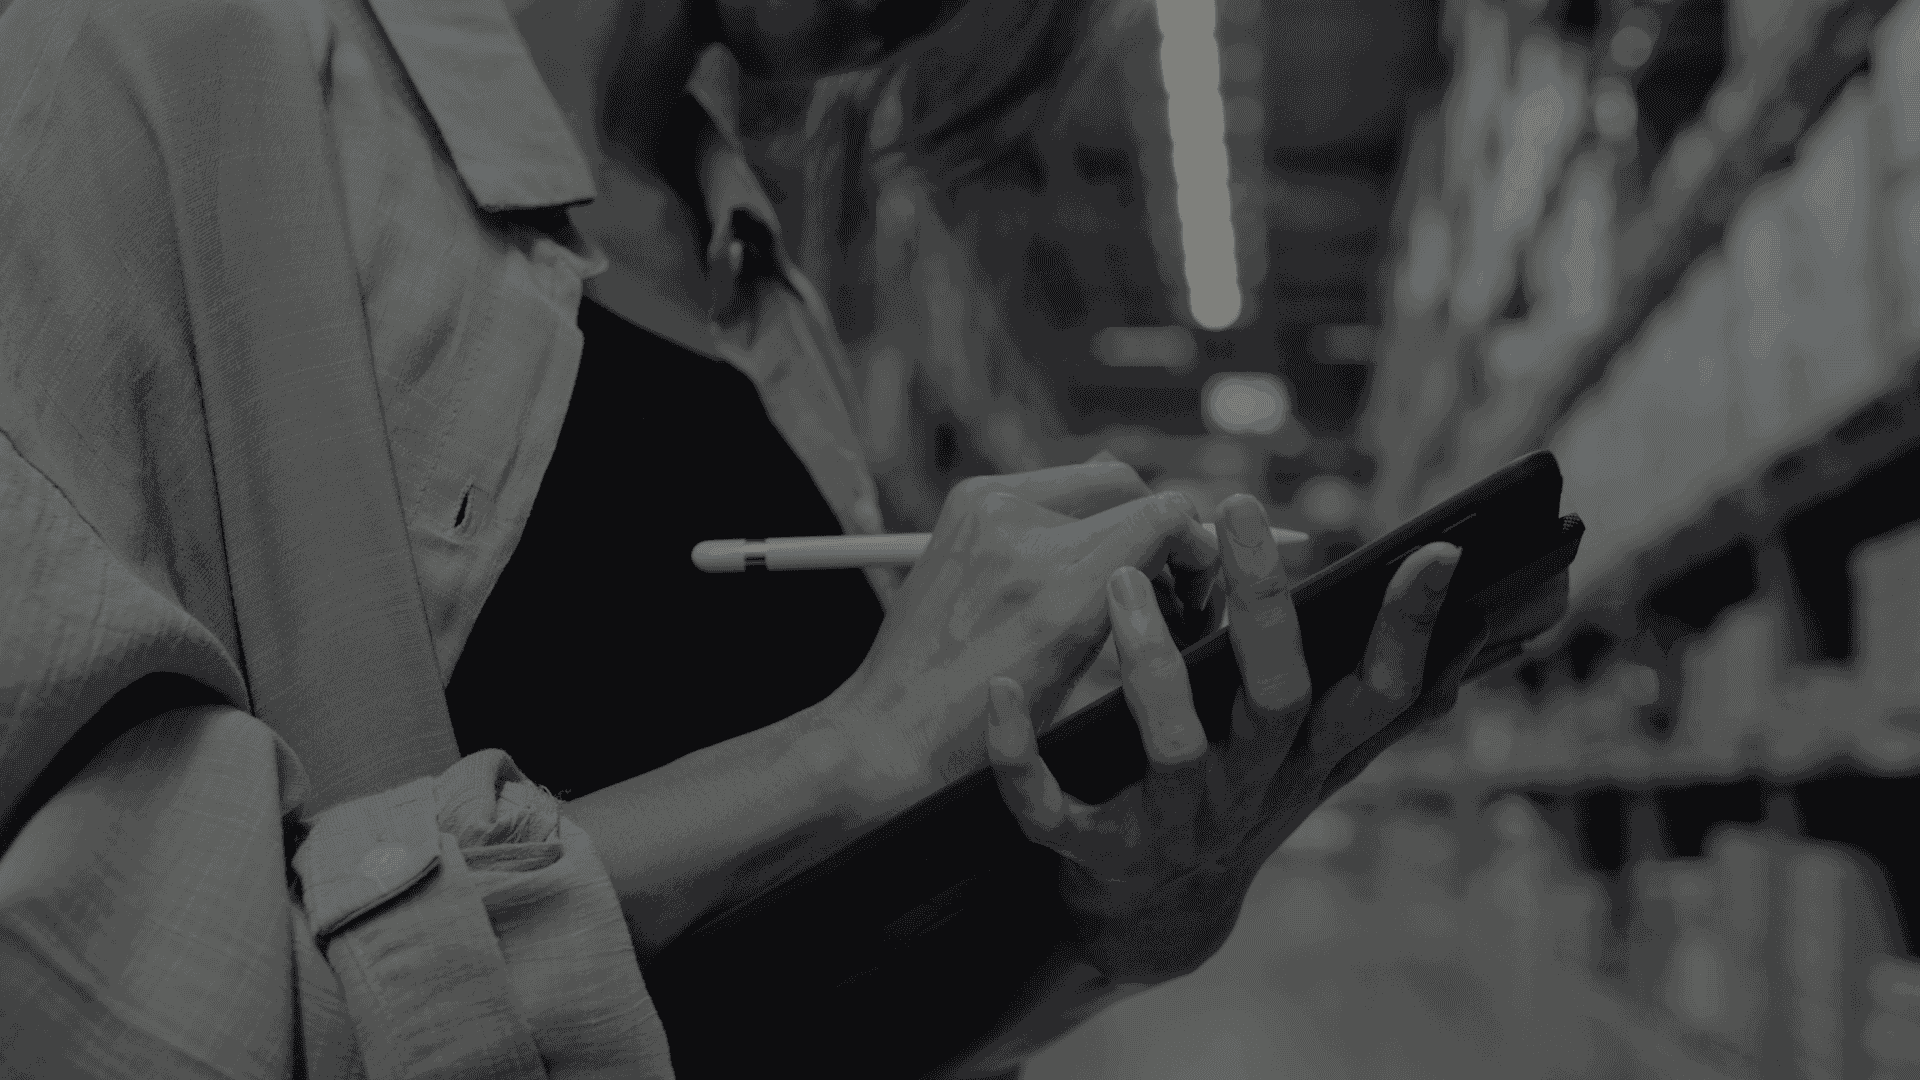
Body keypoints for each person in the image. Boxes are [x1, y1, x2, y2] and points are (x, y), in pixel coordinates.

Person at [0, 3, 1569, 1080]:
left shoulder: (772, 304)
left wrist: (1120, 910)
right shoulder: (151, 70)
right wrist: (852, 752)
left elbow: (812, 978)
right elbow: (89, 995)